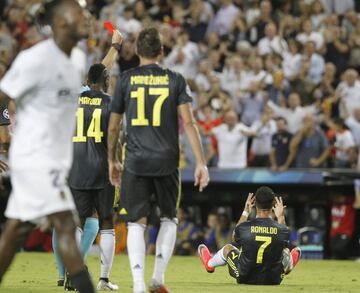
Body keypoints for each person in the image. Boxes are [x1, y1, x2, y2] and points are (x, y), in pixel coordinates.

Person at [0, 1, 95, 292]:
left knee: (17, 230)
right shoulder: (35, 59)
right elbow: (2, 97)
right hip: (35, 158)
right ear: (61, 22)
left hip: (54, 158)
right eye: (79, 13)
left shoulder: (78, 58)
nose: (87, 16)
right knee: (66, 224)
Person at [107, 28, 209, 293]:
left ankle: (139, 285)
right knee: (168, 219)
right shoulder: (175, 79)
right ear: (161, 51)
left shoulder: (126, 80)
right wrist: (201, 162)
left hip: (136, 160)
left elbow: (115, 126)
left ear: (138, 51)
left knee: (135, 222)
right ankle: (158, 279)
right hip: (166, 160)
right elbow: (189, 122)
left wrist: (112, 160)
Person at [52, 29, 123, 290]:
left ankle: (71, 272)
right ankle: (104, 279)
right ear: (105, 81)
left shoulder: (71, 99)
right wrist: (117, 163)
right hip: (103, 169)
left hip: (76, 169)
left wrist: (114, 48)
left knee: (76, 224)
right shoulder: (111, 103)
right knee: (106, 222)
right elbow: (114, 135)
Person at [198, 186, 301, 285]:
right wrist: (281, 217)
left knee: (228, 248)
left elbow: (234, 237)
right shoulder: (282, 230)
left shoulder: (245, 227)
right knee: (286, 251)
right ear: (274, 203)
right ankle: (288, 268)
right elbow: (284, 241)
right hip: (273, 279)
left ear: (255, 203)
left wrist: (245, 212)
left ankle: (209, 264)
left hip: (244, 276)